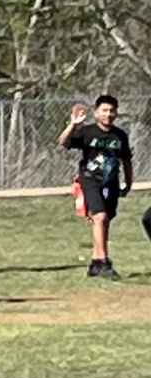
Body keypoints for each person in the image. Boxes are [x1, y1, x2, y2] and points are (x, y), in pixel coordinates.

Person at [58, 95, 132, 280]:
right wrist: (73, 125)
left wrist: (129, 183)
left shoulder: (120, 135)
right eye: (104, 110)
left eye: (112, 110)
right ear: (97, 112)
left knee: (105, 220)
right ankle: (104, 262)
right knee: (99, 216)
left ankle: (95, 262)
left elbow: (126, 161)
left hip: (111, 182)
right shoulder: (87, 132)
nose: (108, 114)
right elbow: (63, 142)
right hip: (91, 179)